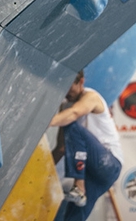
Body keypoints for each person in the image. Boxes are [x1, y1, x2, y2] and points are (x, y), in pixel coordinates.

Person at [50, 71, 123, 220]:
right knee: (73, 217)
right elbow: (61, 148)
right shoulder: (66, 107)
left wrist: (46, 122)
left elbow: (75, 113)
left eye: (70, 88)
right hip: (94, 174)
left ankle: (79, 185)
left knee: (72, 126)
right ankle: (80, 187)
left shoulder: (91, 97)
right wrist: (44, 171)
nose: (66, 93)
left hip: (109, 164)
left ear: (81, 82)